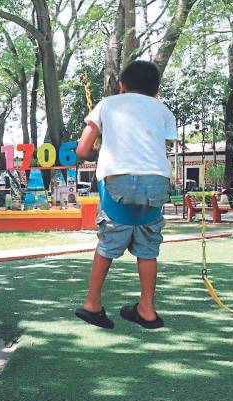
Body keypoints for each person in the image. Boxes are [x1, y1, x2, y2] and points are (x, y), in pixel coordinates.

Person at [74, 60, 177, 330]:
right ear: (156, 91)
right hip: (155, 182)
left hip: (118, 180)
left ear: (122, 86)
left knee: (107, 244)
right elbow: (154, 147)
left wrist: (101, 152)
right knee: (148, 249)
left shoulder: (107, 104)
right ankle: (147, 309)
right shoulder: (163, 111)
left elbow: (82, 151)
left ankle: (92, 304)